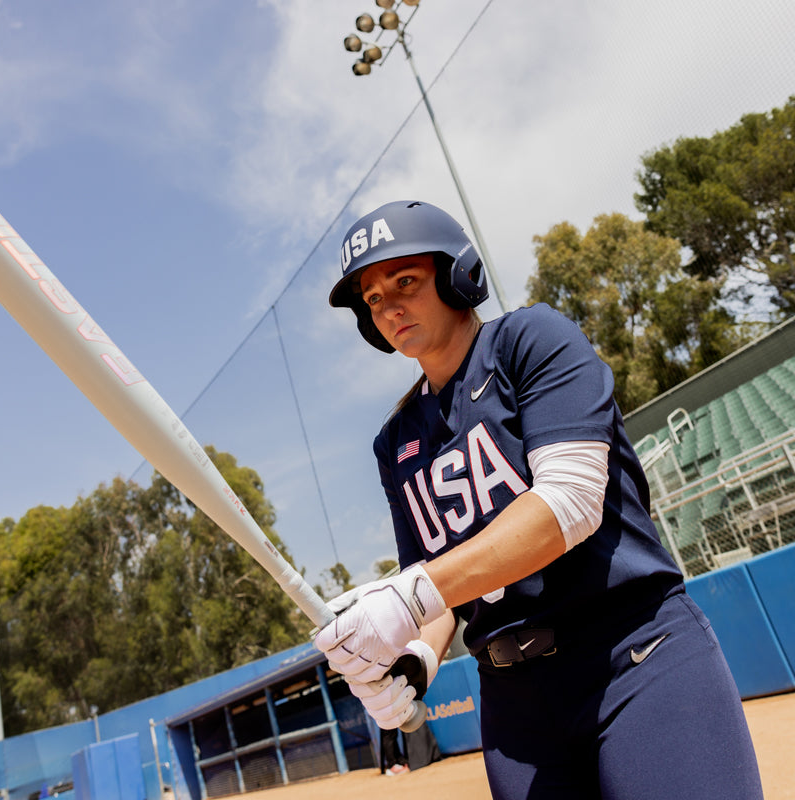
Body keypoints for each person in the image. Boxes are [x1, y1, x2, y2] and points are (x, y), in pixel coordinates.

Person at [314, 200, 764, 799]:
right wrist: (417, 657)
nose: (389, 306)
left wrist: (409, 597)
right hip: (515, 706)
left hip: (631, 655)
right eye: (373, 299)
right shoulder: (395, 441)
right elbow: (442, 581)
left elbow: (570, 503)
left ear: (457, 277)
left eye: (405, 282)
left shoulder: (530, 340)